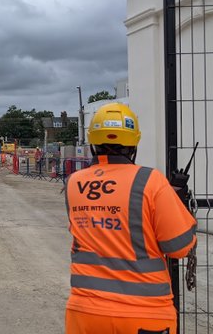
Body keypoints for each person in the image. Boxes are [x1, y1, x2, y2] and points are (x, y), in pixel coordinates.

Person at [63, 103, 196, 334]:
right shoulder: (151, 181)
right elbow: (179, 247)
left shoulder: (74, 183)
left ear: (93, 142)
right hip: (144, 314)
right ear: (134, 142)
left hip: (85, 312)